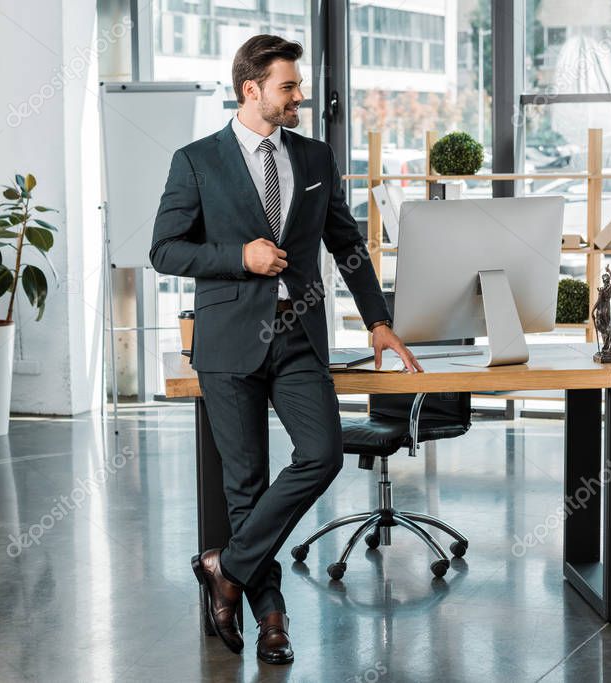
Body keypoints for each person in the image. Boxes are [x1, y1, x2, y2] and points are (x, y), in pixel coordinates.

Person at [150, 34, 421, 665]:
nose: (299, 95)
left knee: (322, 454)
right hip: (227, 340)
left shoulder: (316, 157)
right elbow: (165, 250)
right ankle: (270, 613)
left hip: (298, 336)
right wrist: (238, 258)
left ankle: (227, 567)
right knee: (244, 487)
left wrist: (378, 320)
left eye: (297, 85)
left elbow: (347, 244)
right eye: (288, 86)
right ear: (252, 89)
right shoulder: (196, 161)